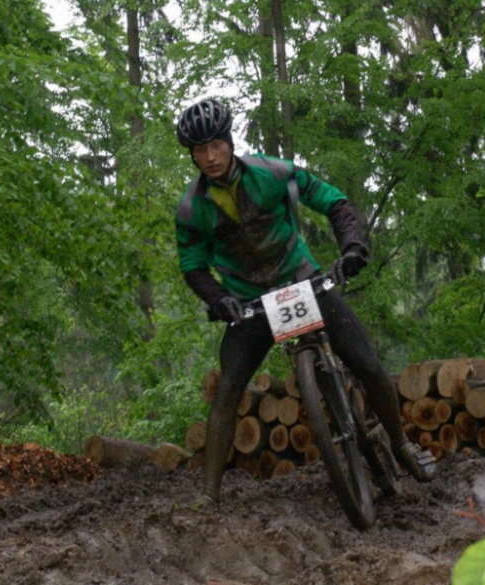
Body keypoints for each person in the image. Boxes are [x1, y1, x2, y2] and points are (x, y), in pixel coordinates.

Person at [174, 98, 436, 505]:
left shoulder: (271, 172)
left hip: (302, 282)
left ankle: (401, 445)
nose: (210, 157)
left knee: (368, 366)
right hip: (251, 303)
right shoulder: (192, 208)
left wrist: (351, 247)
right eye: (200, 151)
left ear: (229, 142)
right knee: (227, 391)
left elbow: (332, 201)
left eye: (217, 146)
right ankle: (208, 494)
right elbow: (192, 265)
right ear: (192, 156)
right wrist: (218, 298)